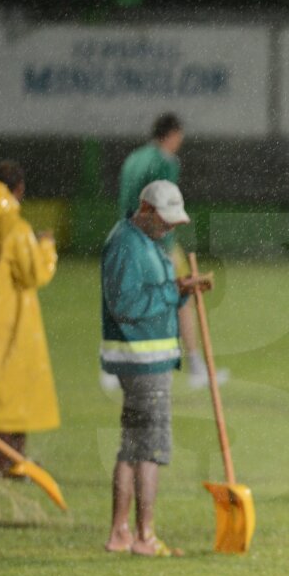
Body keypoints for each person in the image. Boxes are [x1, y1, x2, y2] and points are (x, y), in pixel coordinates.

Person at [101, 180, 212, 556]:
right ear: (146, 210)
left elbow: (142, 290)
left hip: (143, 359)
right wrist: (173, 292)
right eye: (165, 222)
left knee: (133, 448)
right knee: (149, 450)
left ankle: (121, 533)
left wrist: (177, 285)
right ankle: (144, 537)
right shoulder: (126, 243)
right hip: (142, 361)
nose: (169, 230)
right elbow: (126, 303)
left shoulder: (141, 241)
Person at [111, 112, 224, 391]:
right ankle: (196, 365)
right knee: (185, 297)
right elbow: (164, 205)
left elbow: (128, 200)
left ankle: (117, 362)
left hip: (129, 236)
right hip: (157, 242)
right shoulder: (165, 162)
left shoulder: (134, 158)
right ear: (172, 135)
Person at [0, 161, 59, 477]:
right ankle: (5, 464)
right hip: (11, 324)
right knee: (14, 396)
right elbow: (34, 274)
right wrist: (47, 247)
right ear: (19, 190)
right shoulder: (15, 228)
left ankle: (1, 463)